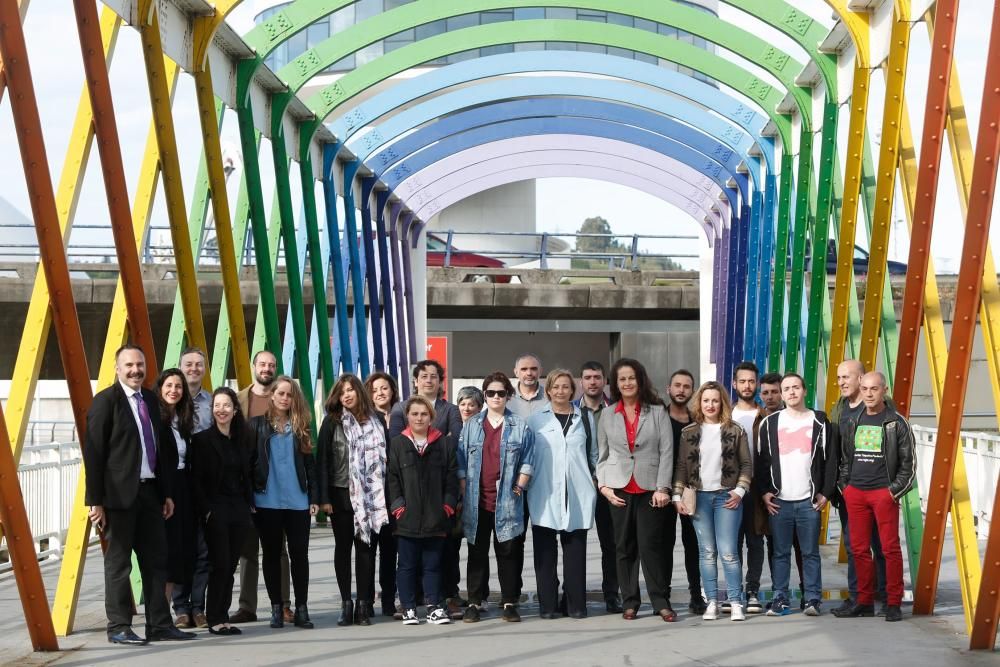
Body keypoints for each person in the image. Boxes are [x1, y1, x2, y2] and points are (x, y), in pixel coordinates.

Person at [84, 344, 194, 645]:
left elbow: (161, 450)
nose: (136, 370)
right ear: (118, 368)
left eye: (141, 365)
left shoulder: (150, 399)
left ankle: (159, 624)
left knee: (156, 561)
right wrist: (95, 501)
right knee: (119, 564)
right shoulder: (105, 401)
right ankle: (118, 627)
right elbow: (93, 455)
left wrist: (167, 493)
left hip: (151, 494)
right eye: (130, 365)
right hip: (117, 499)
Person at [596, 358, 674, 622]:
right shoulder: (607, 414)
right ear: (616, 384)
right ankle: (629, 601)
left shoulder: (657, 411)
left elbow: (666, 452)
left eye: (631, 377)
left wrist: (663, 487)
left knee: (651, 546)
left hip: (651, 489)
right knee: (624, 547)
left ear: (640, 380)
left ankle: (660, 601)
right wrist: (603, 485)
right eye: (622, 379)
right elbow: (602, 455)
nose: (627, 383)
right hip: (618, 489)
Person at [835, 371, 915, 623]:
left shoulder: (896, 423)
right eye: (865, 389)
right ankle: (865, 601)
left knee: (889, 548)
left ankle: (893, 603)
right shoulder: (853, 420)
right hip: (856, 492)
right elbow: (846, 458)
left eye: (874, 389)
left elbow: (909, 465)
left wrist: (892, 492)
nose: (869, 394)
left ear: (884, 390)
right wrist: (845, 487)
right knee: (858, 549)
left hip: (883, 493)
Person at [756, 373, 837, 617]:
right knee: (780, 553)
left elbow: (830, 461)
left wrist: (825, 492)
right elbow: (761, 463)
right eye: (786, 388)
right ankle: (780, 598)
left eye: (795, 387)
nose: (791, 392)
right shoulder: (769, 424)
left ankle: (812, 598)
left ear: (804, 390)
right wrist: (764, 493)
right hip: (780, 501)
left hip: (808, 501)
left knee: (810, 552)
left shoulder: (820, 421)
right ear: (781, 393)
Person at [457, 371, 534, 623]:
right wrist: (463, 492)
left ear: (508, 395)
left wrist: (519, 487)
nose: (496, 397)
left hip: (508, 501)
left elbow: (527, 460)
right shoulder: (471, 426)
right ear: (485, 395)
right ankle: (474, 602)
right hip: (477, 501)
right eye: (491, 393)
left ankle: (509, 602)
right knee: (476, 554)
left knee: (508, 553)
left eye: (501, 392)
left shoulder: (519, 425)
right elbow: (461, 462)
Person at [673, 381, 751, 622]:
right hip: (699, 498)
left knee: (728, 552)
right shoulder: (689, 433)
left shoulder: (735, 430)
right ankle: (712, 602)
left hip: (727, 496)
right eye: (706, 400)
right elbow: (682, 467)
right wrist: (676, 495)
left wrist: (740, 491)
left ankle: (736, 602)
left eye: (715, 400)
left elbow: (746, 464)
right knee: (706, 553)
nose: (710, 404)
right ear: (700, 402)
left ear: (722, 403)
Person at [317, 374, 389, 627]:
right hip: (340, 493)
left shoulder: (377, 421)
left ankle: (363, 605)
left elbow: (385, 460)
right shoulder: (331, 422)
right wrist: (323, 498)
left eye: (350, 390)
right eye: (341, 392)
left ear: (359, 392)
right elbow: (323, 461)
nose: (346, 395)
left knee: (366, 549)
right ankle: (346, 603)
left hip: (371, 496)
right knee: (343, 548)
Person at [248, 375, 319, 629]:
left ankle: (301, 608)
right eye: (281, 393)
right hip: (267, 500)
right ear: (272, 395)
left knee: (300, 555)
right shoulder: (256, 426)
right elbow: (249, 464)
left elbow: (310, 465)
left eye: (289, 395)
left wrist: (314, 497)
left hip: (298, 500)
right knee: (271, 555)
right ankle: (276, 607)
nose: (285, 398)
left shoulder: (301, 426)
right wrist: (249, 497)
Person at [527, 370, 597, 619]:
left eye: (566, 387)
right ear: (548, 390)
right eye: (556, 387)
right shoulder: (536, 420)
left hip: (577, 493)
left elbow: (594, 455)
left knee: (575, 553)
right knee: (545, 554)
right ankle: (547, 605)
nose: (560, 391)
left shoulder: (585, 418)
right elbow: (528, 456)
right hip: (544, 493)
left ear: (573, 390)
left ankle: (575, 604)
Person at [388, 396, 459, 625]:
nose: (419, 418)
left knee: (433, 566)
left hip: (435, 518)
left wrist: (447, 506)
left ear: (431, 417)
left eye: (424, 414)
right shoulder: (398, 443)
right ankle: (409, 608)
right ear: (407, 416)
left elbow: (451, 477)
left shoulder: (444, 443)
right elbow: (392, 478)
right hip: (406, 519)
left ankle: (433, 607)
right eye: (415, 414)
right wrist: (398, 507)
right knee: (407, 566)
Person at [231, 350, 291, 625]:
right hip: (247, 484)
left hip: (278, 487)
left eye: (271, 365)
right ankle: (247, 606)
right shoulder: (240, 399)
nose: (267, 368)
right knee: (247, 549)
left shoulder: (285, 397)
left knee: (278, 549)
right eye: (262, 364)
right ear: (254, 366)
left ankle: (284, 604)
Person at [190, 387, 254, 636]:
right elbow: (196, 480)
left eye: (227, 405)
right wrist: (206, 511)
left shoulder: (242, 438)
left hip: (238, 508)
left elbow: (246, 473)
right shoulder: (203, 440)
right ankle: (214, 617)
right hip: (215, 509)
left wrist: (249, 505)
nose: (221, 410)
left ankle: (223, 616)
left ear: (235, 410)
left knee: (231, 564)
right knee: (219, 564)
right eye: (217, 405)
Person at [830, 360, 889, 617]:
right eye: (839, 377)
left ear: (862, 378)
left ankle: (886, 596)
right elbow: (833, 452)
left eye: (847, 377)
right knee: (855, 545)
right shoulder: (838, 409)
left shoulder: (880, 408)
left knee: (882, 544)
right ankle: (858, 597)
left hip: (878, 488)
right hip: (850, 491)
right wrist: (840, 486)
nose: (841, 382)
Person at [573, 361, 621, 613]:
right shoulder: (571, 411)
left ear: (605, 381)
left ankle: (612, 594)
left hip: (609, 485)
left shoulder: (614, 410)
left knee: (610, 544)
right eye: (588, 377)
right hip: (578, 486)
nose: (592, 381)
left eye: (597, 377)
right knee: (574, 542)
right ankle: (573, 594)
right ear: (581, 381)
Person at [172, 347, 213, 629]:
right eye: (189, 364)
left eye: (199, 364)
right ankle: (181, 606)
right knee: (180, 547)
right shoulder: (168, 401)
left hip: (205, 483)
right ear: (180, 366)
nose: (194, 369)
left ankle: (198, 607)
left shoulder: (212, 403)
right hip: (177, 483)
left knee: (204, 548)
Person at [155, 369, 197, 626]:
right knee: (161, 553)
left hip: (183, 489)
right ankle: (158, 615)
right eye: (169, 385)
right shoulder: (155, 420)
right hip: (162, 489)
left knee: (177, 553)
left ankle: (164, 615)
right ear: (160, 388)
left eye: (179, 386)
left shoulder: (182, 420)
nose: (174, 390)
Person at [662, 370, 705, 615]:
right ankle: (664, 595)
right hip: (664, 490)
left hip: (691, 490)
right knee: (664, 545)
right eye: (677, 385)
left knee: (693, 544)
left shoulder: (697, 421)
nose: (681, 390)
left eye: (686, 386)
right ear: (669, 389)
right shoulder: (659, 417)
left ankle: (696, 594)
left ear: (692, 391)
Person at [729, 362, 768, 614]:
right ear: (734, 384)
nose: (747, 386)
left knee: (755, 540)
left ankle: (752, 590)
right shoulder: (725, 416)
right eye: (742, 381)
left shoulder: (765, 417)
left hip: (758, 487)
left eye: (751, 381)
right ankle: (734, 591)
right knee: (731, 542)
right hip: (729, 488)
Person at [364, 371, 400, 617]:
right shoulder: (365, 419)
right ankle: (366, 602)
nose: (380, 393)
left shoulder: (402, 417)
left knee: (390, 553)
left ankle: (388, 600)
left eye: (384, 388)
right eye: (375, 389)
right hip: (371, 495)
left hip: (396, 494)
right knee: (368, 551)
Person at [388, 360, 462, 441]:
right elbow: (395, 441)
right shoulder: (400, 408)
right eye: (424, 376)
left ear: (440, 382)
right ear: (416, 382)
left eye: (433, 376)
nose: (429, 381)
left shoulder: (451, 410)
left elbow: (456, 439)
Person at [508, 353, 549, 418]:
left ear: (540, 371)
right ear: (516, 372)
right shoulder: (507, 398)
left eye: (533, 369)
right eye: (524, 369)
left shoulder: (550, 397)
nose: (529, 373)